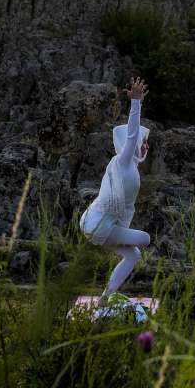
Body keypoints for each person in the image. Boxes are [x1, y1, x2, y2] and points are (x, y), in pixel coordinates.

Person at [80, 77, 152, 302]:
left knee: (133, 255)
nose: (145, 146)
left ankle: (105, 297)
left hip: (101, 224)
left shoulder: (130, 168)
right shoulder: (122, 161)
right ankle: (105, 296)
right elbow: (131, 135)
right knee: (146, 239)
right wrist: (136, 102)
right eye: (143, 142)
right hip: (99, 224)